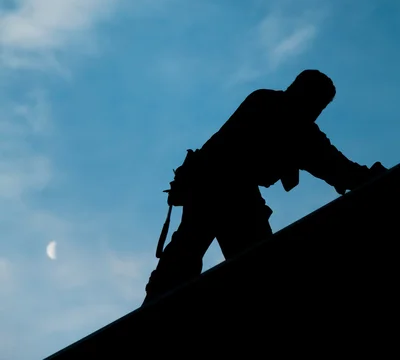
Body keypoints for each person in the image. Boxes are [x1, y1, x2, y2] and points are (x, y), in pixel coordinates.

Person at [143, 69, 387, 304]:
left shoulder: (273, 106)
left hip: (216, 186)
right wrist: (366, 178)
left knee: (192, 252)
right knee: (252, 262)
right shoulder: (285, 115)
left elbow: (333, 164)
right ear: (304, 93)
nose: (317, 111)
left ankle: (158, 297)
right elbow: (332, 164)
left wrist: (362, 177)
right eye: (318, 103)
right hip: (225, 188)